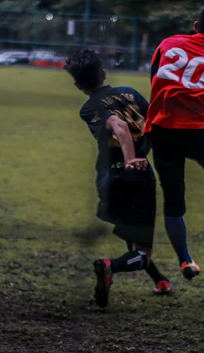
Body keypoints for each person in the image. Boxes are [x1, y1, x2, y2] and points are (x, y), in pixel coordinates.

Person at [64, 50, 170, 309]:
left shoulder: (89, 108)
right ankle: (110, 266)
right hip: (137, 179)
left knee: (131, 228)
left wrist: (135, 155)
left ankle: (160, 281)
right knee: (141, 255)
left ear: (78, 85)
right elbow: (130, 126)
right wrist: (136, 157)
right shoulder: (131, 93)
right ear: (103, 74)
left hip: (109, 181)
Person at [144, 4, 204, 280]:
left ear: (196, 27)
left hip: (162, 128)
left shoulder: (167, 44)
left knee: (173, 202)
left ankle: (185, 261)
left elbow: (154, 77)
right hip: (198, 130)